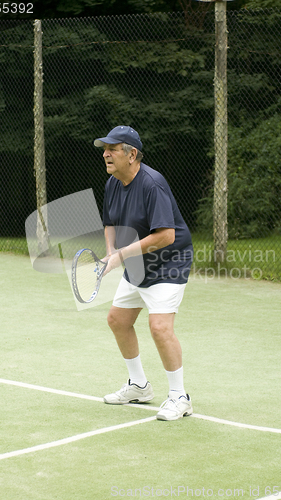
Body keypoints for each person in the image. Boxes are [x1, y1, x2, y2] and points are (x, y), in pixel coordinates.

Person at [94, 125, 193, 421]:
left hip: (169, 262)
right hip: (138, 262)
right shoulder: (113, 182)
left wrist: (121, 255)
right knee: (118, 320)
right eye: (104, 149)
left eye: (112, 149)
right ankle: (138, 385)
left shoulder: (152, 184)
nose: (106, 154)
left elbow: (165, 236)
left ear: (132, 154)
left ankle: (180, 397)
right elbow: (110, 221)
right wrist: (111, 250)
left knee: (160, 327)